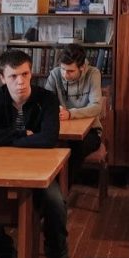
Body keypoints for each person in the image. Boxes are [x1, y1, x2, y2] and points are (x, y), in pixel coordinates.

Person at [0, 49, 81, 258]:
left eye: (24, 74)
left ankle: (58, 257)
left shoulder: (47, 99)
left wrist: (6, 140)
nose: (20, 82)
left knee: (56, 202)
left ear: (31, 73)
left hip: (39, 169)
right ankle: (6, 257)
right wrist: (23, 134)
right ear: (2, 77)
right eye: (13, 76)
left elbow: (48, 138)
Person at [44, 43, 103, 182]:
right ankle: (45, 187)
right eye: (63, 69)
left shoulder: (93, 74)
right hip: (60, 129)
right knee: (43, 145)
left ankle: (60, 190)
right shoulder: (55, 74)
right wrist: (54, 108)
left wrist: (71, 114)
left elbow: (96, 107)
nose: (65, 74)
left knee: (75, 148)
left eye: (70, 71)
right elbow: (45, 101)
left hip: (90, 132)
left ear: (82, 67)